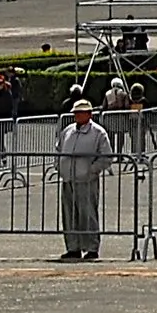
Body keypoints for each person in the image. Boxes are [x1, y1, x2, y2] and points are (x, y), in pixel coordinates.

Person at [55, 99, 114, 262]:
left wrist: (92, 170)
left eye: (81, 113)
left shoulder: (98, 133)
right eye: (75, 113)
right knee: (69, 214)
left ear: (89, 114)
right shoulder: (68, 131)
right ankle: (73, 247)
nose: (77, 116)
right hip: (68, 179)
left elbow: (107, 157)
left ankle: (91, 247)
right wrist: (59, 167)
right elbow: (58, 149)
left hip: (87, 181)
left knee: (88, 214)